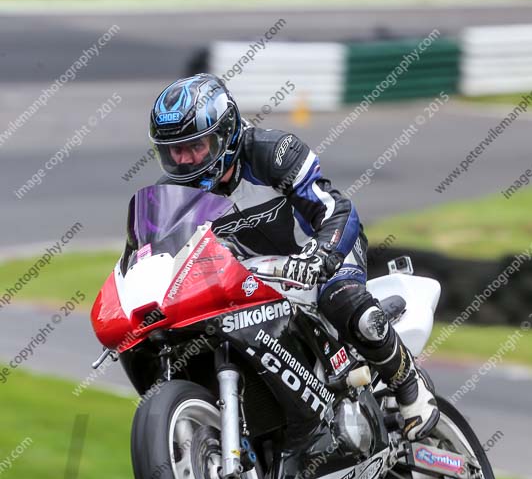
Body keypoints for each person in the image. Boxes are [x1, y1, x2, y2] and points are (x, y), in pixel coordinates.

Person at [149, 73, 439, 442]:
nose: (186, 161)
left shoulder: (271, 152)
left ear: (225, 134)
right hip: (254, 279)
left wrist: (322, 255)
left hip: (322, 252)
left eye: (197, 147)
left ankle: (409, 385)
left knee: (345, 301)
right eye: (175, 151)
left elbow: (337, 209)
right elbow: (158, 258)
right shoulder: (171, 196)